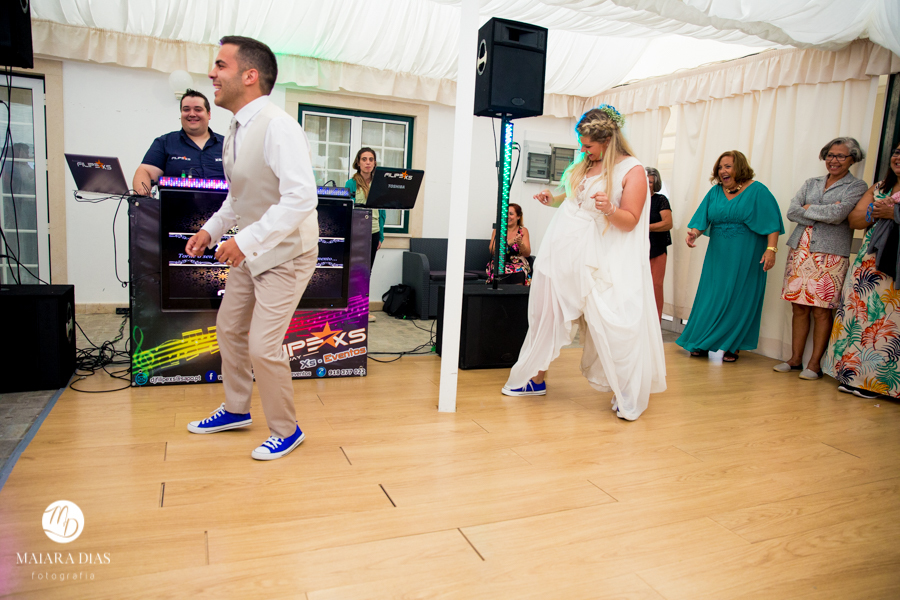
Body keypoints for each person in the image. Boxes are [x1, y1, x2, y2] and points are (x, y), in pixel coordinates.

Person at [184, 36, 319, 460]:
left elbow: (302, 198)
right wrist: (211, 230)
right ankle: (237, 409)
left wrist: (243, 240)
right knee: (228, 329)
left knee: (263, 345)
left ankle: (287, 429)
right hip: (251, 250)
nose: (211, 74)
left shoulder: (279, 126)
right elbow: (238, 198)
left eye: (220, 65)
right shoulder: (235, 129)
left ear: (250, 75)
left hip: (287, 254)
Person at [501, 105, 666, 422]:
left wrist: (608, 208)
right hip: (561, 248)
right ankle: (534, 377)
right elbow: (572, 196)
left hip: (600, 256)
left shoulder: (632, 171)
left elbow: (630, 221)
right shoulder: (585, 163)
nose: (583, 150)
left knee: (611, 323)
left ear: (607, 140)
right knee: (546, 312)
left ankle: (626, 392)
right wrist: (554, 199)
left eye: (588, 145)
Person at [676, 150, 785, 362]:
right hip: (718, 255)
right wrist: (694, 234)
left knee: (740, 297)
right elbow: (702, 220)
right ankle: (701, 341)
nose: (723, 171)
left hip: (748, 253)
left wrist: (771, 251)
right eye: (720, 167)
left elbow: (772, 223)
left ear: (740, 167)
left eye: (728, 166)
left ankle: (732, 345)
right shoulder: (715, 192)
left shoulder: (758, 191)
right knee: (711, 296)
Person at [775, 137, 868, 380]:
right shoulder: (811, 182)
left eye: (840, 156)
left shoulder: (856, 186)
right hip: (801, 249)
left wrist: (809, 208)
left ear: (852, 159)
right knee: (798, 306)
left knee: (821, 310)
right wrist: (819, 211)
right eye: (829, 155)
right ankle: (795, 359)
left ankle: (814, 365)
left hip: (831, 254)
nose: (833, 160)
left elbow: (839, 215)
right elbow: (792, 210)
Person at [823, 142, 900, 400]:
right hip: (868, 263)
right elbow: (855, 220)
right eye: (897, 151)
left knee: (885, 324)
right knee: (861, 317)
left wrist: (894, 212)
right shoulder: (880, 187)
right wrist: (878, 212)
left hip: (893, 263)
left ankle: (877, 382)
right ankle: (852, 374)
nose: (898, 157)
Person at [132, 89, 225, 195]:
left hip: (223, 210)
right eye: (186, 110)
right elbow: (145, 171)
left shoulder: (228, 144)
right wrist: (142, 196)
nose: (192, 114)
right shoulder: (165, 142)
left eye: (198, 109)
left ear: (209, 114)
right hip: (175, 210)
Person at [345, 148, 386, 322]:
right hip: (357, 233)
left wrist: (381, 236)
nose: (368, 162)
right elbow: (347, 208)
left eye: (371, 159)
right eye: (364, 159)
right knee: (354, 272)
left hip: (374, 232)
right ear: (358, 162)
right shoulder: (351, 183)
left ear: (374, 163)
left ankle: (363, 309)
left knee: (367, 273)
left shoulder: (379, 184)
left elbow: (383, 212)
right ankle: (351, 308)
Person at [646, 167, 672, 320]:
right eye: (645, 181)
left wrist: (646, 228)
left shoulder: (660, 200)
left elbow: (668, 223)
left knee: (655, 286)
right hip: (638, 250)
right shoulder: (634, 200)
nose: (647, 184)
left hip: (657, 249)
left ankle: (655, 322)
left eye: (650, 181)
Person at [487, 203, 532, 285]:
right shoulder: (498, 230)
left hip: (518, 263)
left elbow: (527, 254)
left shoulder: (523, 231)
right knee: (500, 272)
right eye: (506, 214)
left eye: (511, 214)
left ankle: (517, 296)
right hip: (500, 262)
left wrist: (520, 243)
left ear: (518, 216)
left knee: (520, 272)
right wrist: (507, 243)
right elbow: (492, 251)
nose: (508, 217)